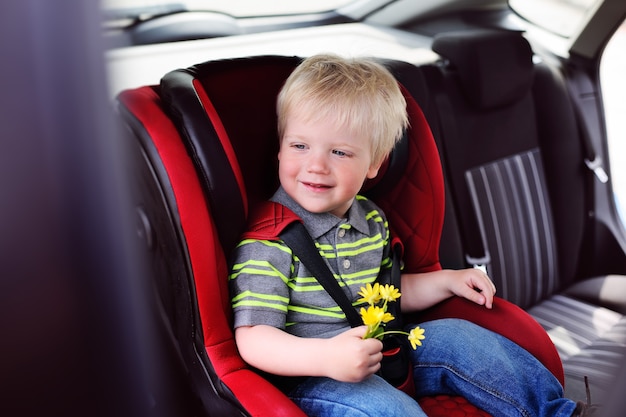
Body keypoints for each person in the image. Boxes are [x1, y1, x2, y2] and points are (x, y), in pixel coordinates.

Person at [228, 53, 591, 416]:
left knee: (459, 337)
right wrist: (325, 358)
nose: (316, 165)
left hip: (385, 347)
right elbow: (254, 338)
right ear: (280, 148)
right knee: (387, 408)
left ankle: (555, 411)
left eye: (339, 151)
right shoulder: (269, 244)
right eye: (299, 146)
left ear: (374, 162)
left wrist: (447, 281)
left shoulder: (372, 220)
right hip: (312, 377)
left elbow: (391, 291)